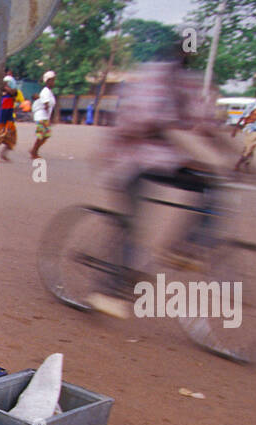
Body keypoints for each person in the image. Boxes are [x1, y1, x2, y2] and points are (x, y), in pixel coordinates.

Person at [90, 48, 230, 319]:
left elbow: (206, 125)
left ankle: (184, 249)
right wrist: (174, 136)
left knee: (213, 188)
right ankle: (107, 292)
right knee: (134, 226)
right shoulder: (151, 81)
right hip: (130, 161)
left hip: (165, 162)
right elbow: (143, 122)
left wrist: (235, 160)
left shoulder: (187, 84)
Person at [28, 70, 56, 161]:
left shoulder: (49, 91)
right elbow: (46, 105)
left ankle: (34, 150)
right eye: (52, 80)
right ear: (47, 81)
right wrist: (50, 119)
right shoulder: (45, 91)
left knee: (46, 135)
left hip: (44, 116)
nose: (53, 82)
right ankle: (34, 152)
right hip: (42, 116)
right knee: (42, 135)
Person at [0, 75, 25, 161]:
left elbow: (13, 93)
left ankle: (3, 154)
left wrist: (5, 87)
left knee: (12, 137)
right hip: (0, 118)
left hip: (8, 118)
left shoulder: (13, 92)